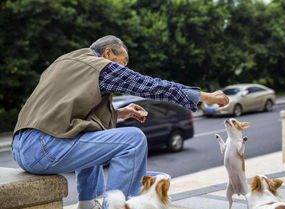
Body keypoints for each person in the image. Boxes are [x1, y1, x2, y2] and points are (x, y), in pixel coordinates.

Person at [12, 35, 229, 209]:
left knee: (94, 135)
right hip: (45, 148)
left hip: (24, 147)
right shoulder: (100, 66)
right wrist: (209, 97)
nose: (124, 68)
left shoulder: (63, 62)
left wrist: (119, 112)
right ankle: (118, 205)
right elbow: (153, 86)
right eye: (123, 62)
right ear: (108, 53)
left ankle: (88, 205)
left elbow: (64, 111)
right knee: (133, 139)